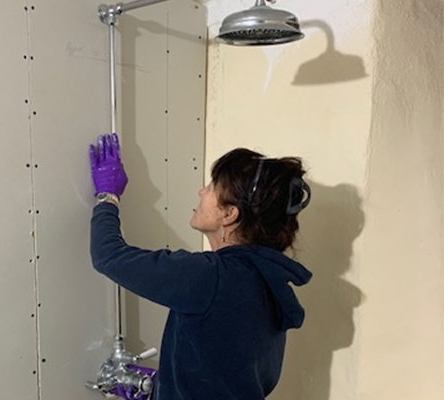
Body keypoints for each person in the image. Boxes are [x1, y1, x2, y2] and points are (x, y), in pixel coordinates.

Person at [88, 133, 312, 400]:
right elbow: (229, 372)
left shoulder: (211, 277)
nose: (201, 191)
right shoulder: (268, 280)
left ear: (230, 215)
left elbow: (108, 255)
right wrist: (163, 386)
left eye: (212, 186)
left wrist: (107, 196)